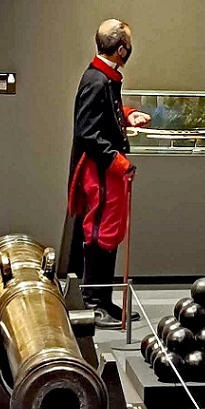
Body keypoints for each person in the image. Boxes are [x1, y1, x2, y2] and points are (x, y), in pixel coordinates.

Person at [66, 19, 150, 327]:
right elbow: (87, 132)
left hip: (106, 169)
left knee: (109, 231)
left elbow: (104, 115)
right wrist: (117, 161)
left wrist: (128, 115)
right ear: (121, 49)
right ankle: (92, 301)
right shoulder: (97, 80)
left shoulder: (104, 77)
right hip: (100, 168)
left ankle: (103, 299)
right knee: (99, 231)